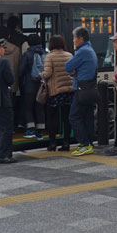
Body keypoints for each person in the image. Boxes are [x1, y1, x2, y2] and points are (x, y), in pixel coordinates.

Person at [66, 26, 98, 156]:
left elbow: (68, 66)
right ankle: (89, 142)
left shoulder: (83, 51)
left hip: (81, 90)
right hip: (89, 89)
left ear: (80, 39)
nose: (73, 40)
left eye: (74, 38)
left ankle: (84, 144)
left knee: (74, 116)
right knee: (87, 117)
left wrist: (74, 70)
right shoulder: (89, 49)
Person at [41, 34, 74, 151]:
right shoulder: (69, 55)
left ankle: (53, 143)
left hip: (55, 91)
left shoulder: (49, 56)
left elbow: (48, 73)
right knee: (66, 118)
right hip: (68, 90)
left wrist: (41, 75)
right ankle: (66, 143)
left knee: (52, 118)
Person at [19, 33, 46, 139]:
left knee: (28, 108)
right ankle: (40, 132)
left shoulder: (27, 54)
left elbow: (20, 71)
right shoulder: (45, 53)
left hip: (29, 86)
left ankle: (30, 130)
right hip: (42, 86)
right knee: (39, 108)